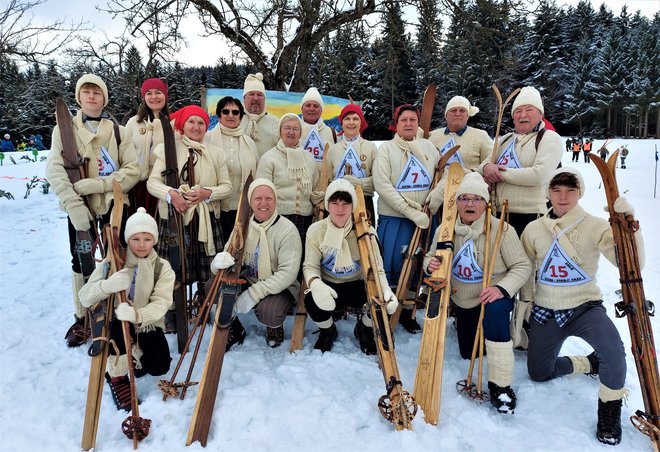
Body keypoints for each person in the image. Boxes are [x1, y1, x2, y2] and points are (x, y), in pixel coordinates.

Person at [520, 167, 644, 445]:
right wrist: (524, 308)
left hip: (584, 306)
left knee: (614, 351)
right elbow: (526, 270)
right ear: (548, 193)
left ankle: (609, 414)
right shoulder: (533, 229)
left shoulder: (597, 226)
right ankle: (589, 362)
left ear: (580, 193)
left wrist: (629, 226)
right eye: (557, 190)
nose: (563, 196)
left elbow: (632, 264)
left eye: (570, 190)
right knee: (539, 374)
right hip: (546, 310)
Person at [424, 172, 531, 414]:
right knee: (468, 351)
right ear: (457, 203)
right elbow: (431, 258)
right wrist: (429, 265)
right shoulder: (446, 228)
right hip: (463, 300)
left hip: (492, 297)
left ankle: (500, 385)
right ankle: (495, 334)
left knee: (494, 315)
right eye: (464, 198)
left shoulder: (501, 229)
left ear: (485, 203)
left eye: (476, 199)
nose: (470, 204)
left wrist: (501, 289)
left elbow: (522, 266)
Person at [47, 73, 139, 348]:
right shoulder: (64, 130)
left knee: (119, 258)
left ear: (104, 98)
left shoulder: (119, 131)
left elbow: (133, 169)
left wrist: (98, 184)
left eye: (96, 92)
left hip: (115, 205)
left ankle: (120, 313)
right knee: (82, 262)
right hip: (80, 207)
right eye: (86, 92)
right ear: (79, 97)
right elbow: (55, 170)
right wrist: (73, 204)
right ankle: (85, 316)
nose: (91, 96)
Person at [78, 207, 174, 411]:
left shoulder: (162, 266)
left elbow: (162, 302)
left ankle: (135, 354)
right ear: (127, 239)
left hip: (145, 323)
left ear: (155, 240)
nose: (141, 244)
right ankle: (117, 378)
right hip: (116, 322)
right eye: (135, 238)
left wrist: (138, 315)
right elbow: (84, 296)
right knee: (118, 339)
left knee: (159, 366)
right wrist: (107, 285)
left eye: (147, 239)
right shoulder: (113, 262)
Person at [302, 179, 399, 353]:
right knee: (311, 300)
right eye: (335, 203)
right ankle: (327, 330)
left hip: (357, 285)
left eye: (345, 203)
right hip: (330, 286)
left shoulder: (366, 232)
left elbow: (377, 268)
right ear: (328, 205)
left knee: (383, 302)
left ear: (352, 205)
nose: (340, 209)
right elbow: (310, 266)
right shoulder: (316, 231)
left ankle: (364, 328)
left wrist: (385, 289)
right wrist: (316, 285)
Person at [147, 105, 232, 302]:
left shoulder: (216, 154)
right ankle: (171, 309)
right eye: (191, 122)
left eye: (201, 122)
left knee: (206, 267)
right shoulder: (167, 150)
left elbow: (227, 187)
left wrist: (207, 193)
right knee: (172, 267)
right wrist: (172, 194)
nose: (196, 126)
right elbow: (153, 183)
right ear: (182, 125)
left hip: (206, 218)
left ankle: (204, 300)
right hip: (174, 217)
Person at [373, 104, 443, 334]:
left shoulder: (428, 148)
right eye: (404, 119)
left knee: (416, 266)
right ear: (397, 123)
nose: (409, 123)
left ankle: (408, 311)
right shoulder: (387, 150)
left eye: (413, 119)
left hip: (425, 217)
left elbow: (447, 171)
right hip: (396, 219)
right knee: (393, 264)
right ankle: (389, 307)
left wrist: (436, 195)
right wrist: (409, 211)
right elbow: (383, 185)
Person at [210, 178, 302, 349]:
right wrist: (218, 264)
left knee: (270, 310)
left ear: (275, 201)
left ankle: (274, 327)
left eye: (269, 198)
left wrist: (253, 294)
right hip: (251, 278)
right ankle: (235, 328)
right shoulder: (242, 226)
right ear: (251, 202)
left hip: (280, 286)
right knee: (212, 287)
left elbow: (287, 274)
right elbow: (228, 255)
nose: (263, 203)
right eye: (258, 198)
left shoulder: (287, 230)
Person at [480, 86, 563, 236]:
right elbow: (484, 165)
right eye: (518, 111)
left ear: (540, 113)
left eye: (529, 109)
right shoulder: (505, 140)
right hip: (497, 215)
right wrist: (486, 168)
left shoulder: (549, 138)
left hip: (531, 218)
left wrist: (499, 174)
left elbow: (539, 175)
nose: (522, 115)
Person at [256, 113, 322, 245]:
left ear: (300, 132)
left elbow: (314, 188)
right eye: (287, 128)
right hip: (277, 219)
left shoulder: (309, 159)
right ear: (280, 131)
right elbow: (262, 193)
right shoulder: (269, 158)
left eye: (295, 129)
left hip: (305, 220)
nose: (291, 132)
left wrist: (320, 200)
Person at [206, 96, 259, 236]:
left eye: (235, 112)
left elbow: (256, 174)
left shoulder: (250, 143)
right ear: (218, 116)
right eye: (225, 111)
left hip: (242, 209)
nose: (230, 115)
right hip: (213, 208)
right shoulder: (206, 139)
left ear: (241, 117)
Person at [125, 77, 171, 215]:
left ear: (165, 95)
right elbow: (124, 152)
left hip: (163, 185)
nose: (154, 97)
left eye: (158, 92)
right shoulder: (134, 123)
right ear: (144, 97)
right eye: (149, 93)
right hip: (137, 184)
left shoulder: (173, 122)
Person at [327, 104, 377, 221]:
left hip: (364, 203)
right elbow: (327, 180)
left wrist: (359, 183)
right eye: (347, 119)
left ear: (361, 122)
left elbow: (378, 180)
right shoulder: (333, 149)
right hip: (338, 206)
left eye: (355, 119)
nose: (351, 123)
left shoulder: (370, 147)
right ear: (342, 122)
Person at [428, 96, 492, 172]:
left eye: (462, 110)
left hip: (470, 182)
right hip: (438, 182)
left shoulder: (481, 136)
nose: (457, 114)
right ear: (446, 115)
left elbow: (489, 164)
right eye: (453, 110)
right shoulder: (431, 136)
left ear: (467, 116)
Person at [240, 72, 280, 158]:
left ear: (264, 99)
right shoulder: (234, 121)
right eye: (251, 94)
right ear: (244, 98)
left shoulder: (276, 123)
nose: (255, 98)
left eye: (259, 95)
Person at [299, 87, 337, 167]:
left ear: (321, 110)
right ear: (302, 109)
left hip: (325, 179)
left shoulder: (332, 133)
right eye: (308, 105)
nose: (311, 109)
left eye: (316, 106)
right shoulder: (294, 131)